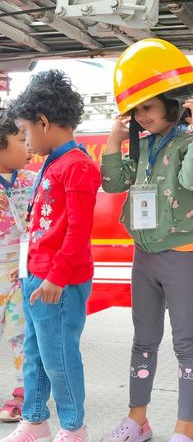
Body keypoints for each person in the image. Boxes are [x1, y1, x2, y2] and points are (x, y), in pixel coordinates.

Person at [100, 38, 193, 442]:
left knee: (187, 342)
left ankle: (186, 428)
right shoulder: (142, 146)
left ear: (174, 103)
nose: (140, 116)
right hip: (144, 257)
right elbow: (113, 182)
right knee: (143, 340)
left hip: (182, 257)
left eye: (147, 107)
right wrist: (114, 139)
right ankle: (138, 420)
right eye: (136, 110)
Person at [0, 70, 101, 442]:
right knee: (35, 352)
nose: (26, 141)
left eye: (26, 131)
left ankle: (74, 426)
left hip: (58, 281)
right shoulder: (53, 162)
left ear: (43, 121)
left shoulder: (77, 165)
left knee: (59, 355)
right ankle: (35, 419)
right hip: (36, 276)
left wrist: (56, 277)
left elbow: (78, 230)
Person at [0, 110, 35, 423]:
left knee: (20, 332)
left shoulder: (32, 181)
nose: (30, 146)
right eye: (22, 140)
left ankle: (26, 391)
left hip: (21, 268)